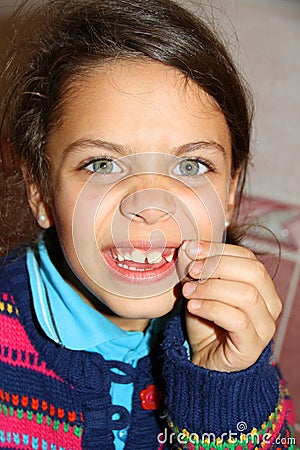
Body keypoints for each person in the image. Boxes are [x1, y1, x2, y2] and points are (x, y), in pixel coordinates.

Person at [0, 0, 296, 448]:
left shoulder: (232, 326)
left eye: (192, 166)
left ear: (231, 193)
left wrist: (224, 386)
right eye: (102, 163)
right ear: (40, 191)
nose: (152, 206)